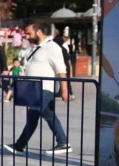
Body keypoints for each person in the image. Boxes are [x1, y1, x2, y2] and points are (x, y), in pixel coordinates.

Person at [4, 22, 71, 154]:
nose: (27, 36)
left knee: (33, 114)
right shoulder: (36, 48)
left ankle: (19, 145)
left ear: (39, 31)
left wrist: (64, 90)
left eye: (29, 33)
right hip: (34, 89)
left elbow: (61, 69)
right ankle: (63, 142)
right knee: (50, 116)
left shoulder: (52, 47)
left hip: (45, 88)